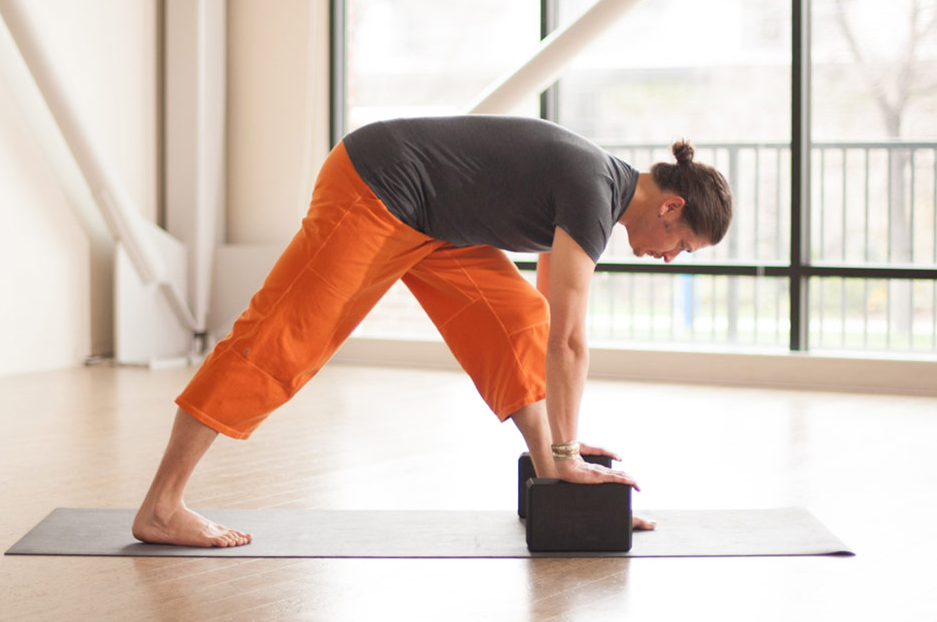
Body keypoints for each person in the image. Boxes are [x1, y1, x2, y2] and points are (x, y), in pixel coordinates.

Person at [132, 115, 733, 547]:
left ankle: (550, 470)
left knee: (516, 318)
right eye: (682, 245)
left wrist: (566, 469)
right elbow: (570, 342)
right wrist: (571, 454)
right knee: (281, 338)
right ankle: (162, 506)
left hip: (437, 222)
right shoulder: (593, 189)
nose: (671, 257)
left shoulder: (601, 188)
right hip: (378, 185)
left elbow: (548, 322)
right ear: (671, 207)